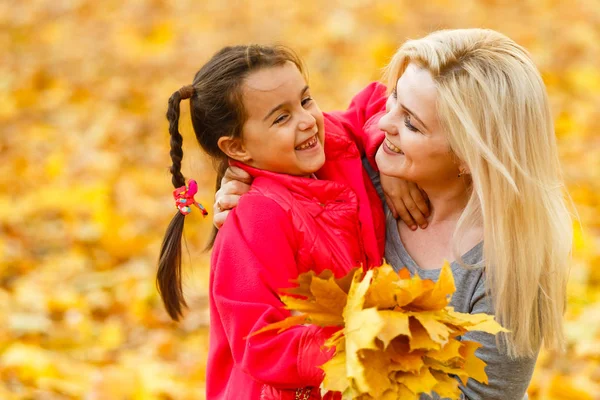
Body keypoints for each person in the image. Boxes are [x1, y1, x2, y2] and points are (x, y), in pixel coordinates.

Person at [213, 29, 573, 400]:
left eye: (412, 123)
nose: (385, 125)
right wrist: (249, 188)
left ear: (469, 155)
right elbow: (322, 132)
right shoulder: (358, 176)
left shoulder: (506, 263)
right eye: (394, 101)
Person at [156, 45, 389, 400]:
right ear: (237, 149)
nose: (307, 119)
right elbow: (261, 342)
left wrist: (388, 153)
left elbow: (378, 101)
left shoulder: (334, 144)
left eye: (306, 100)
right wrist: (365, 343)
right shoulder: (257, 217)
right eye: (281, 118)